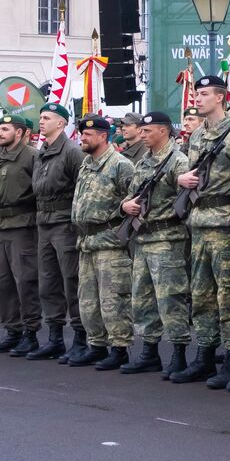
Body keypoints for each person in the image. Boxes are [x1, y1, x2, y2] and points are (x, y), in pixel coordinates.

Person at [173, 76, 230, 387]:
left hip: (225, 226)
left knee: (229, 293)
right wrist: (184, 180)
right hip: (200, 222)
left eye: (205, 94)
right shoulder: (197, 137)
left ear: (221, 98)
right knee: (202, 295)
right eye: (197, 93)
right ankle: (204, 354)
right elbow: (190, 172)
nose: (199, 98)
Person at [119, 111, 191, 375]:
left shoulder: (178, 162)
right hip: (144, 237)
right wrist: (125, 205)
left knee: (170, 298)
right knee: (143, 298)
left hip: (167, 238)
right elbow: (131, 195)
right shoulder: (144, 162)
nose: (142, 135)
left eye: (148, 131)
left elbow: (186, 201)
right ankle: (149, 351)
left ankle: (179, 352)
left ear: (163, 131)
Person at [70, 115, 136, 371]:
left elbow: (135, 201)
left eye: (88, 134)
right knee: (87, 299)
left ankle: (120, 349)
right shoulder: (86, 164)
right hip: (86, 241)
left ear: (103, 136)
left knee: (113, 299)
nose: (82, 138)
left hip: (109, 241)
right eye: (81, 134)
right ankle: (96, 345)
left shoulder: (121, 165)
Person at [30, 102, 86, 363]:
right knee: (48, 281)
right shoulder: (43, 151)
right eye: (40, 117)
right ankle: (54, 338)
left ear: (61, 124)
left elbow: (83, 189)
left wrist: (75, 222)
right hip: (44, 223)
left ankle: (80, 337)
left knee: (70, 281)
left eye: (47, 118)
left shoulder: (72, 151)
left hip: (65, 223)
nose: (41, 122)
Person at [0, 113, 40, 356]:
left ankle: (30, 333)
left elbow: (38, 190)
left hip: (21, 225)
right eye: (0, 128)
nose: (0, 133)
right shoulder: (1, 155)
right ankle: (12, 330)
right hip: (0, 225)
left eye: (5, 129)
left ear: (19, 133)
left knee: (25, 280)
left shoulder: (31, 156)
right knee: (3, 283)